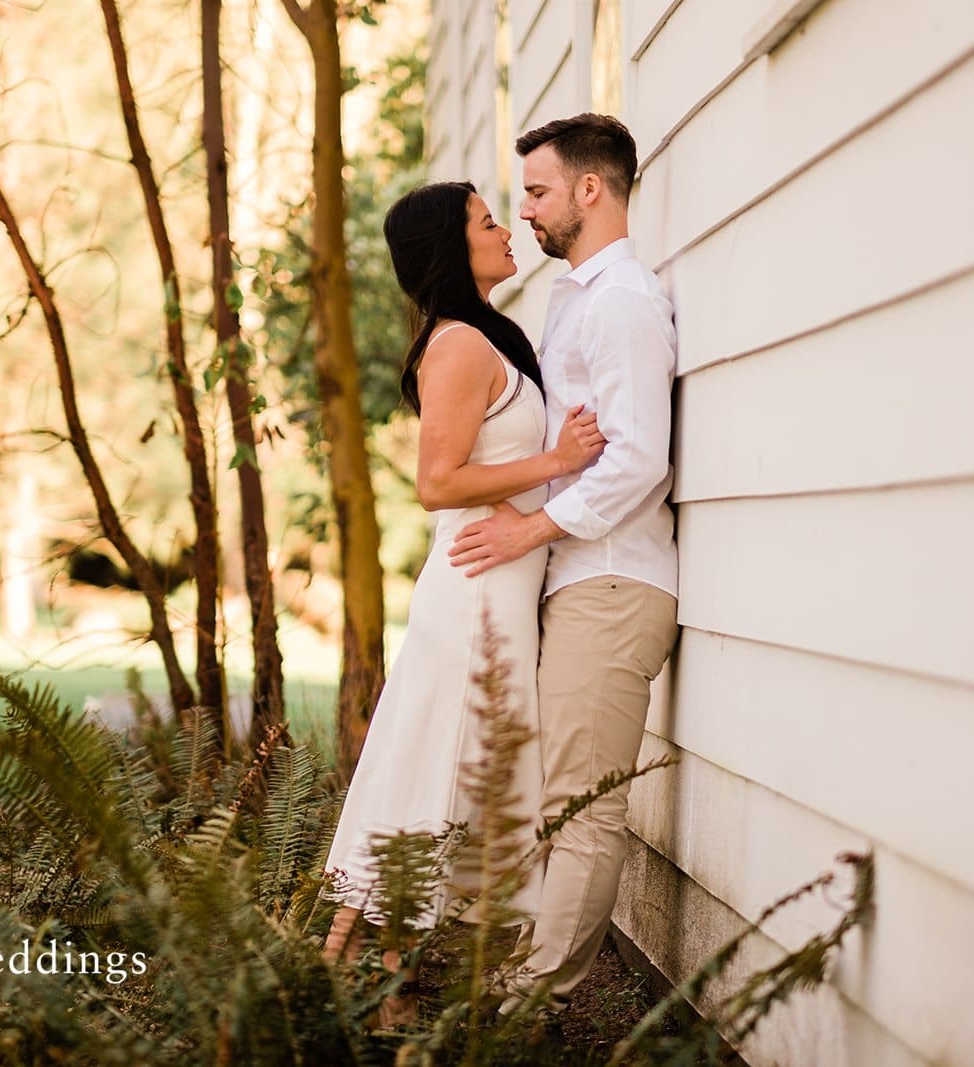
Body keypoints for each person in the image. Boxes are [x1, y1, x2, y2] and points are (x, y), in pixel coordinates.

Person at [320, 180, 608, 1022]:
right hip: (473, 596)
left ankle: (368, 973)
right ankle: (364, 976)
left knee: (436, 770)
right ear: (455, 246)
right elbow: (436, 482)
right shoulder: (456, 347)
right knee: (431, 771)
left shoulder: (494, 337)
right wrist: (556, 463)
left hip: (502, 593)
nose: (509, 225)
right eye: (488, 221)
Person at [446, 114, 680, 1015]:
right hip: (579, 581)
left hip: (614, 581)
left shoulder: (622, 300)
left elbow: (638, 459)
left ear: (592, 189)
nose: (526, 211)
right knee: (558, 799)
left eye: (538, 192)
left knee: (584, 807)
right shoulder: (571, 298)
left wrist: (529, 530)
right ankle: (519, 984)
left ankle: (527, 1006)